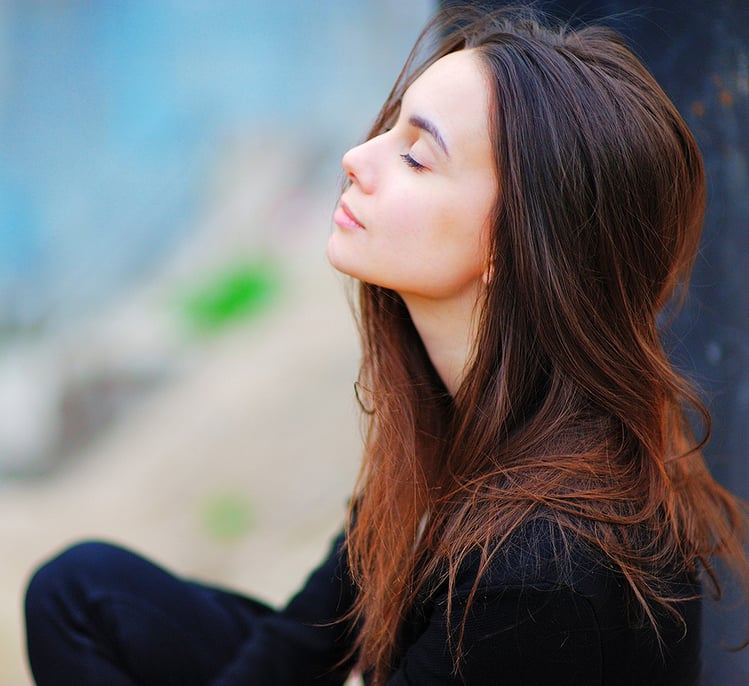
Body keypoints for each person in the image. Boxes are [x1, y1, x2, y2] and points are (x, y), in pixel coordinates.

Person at [24, 6, 749, 685]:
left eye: (416, 157)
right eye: (389, 129)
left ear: (516, 244)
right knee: (83, 594)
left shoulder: (540, 569)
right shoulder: (471, 409)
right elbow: (304, 642)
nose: (354, 156)